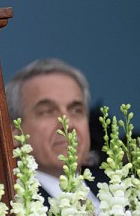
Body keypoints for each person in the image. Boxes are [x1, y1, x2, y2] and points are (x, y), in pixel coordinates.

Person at [6, 57, 97, 202]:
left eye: (76, 110)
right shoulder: (9, 207)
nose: (67, 125)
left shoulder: (126, 191)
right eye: (48, 111)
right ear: (15, 132)